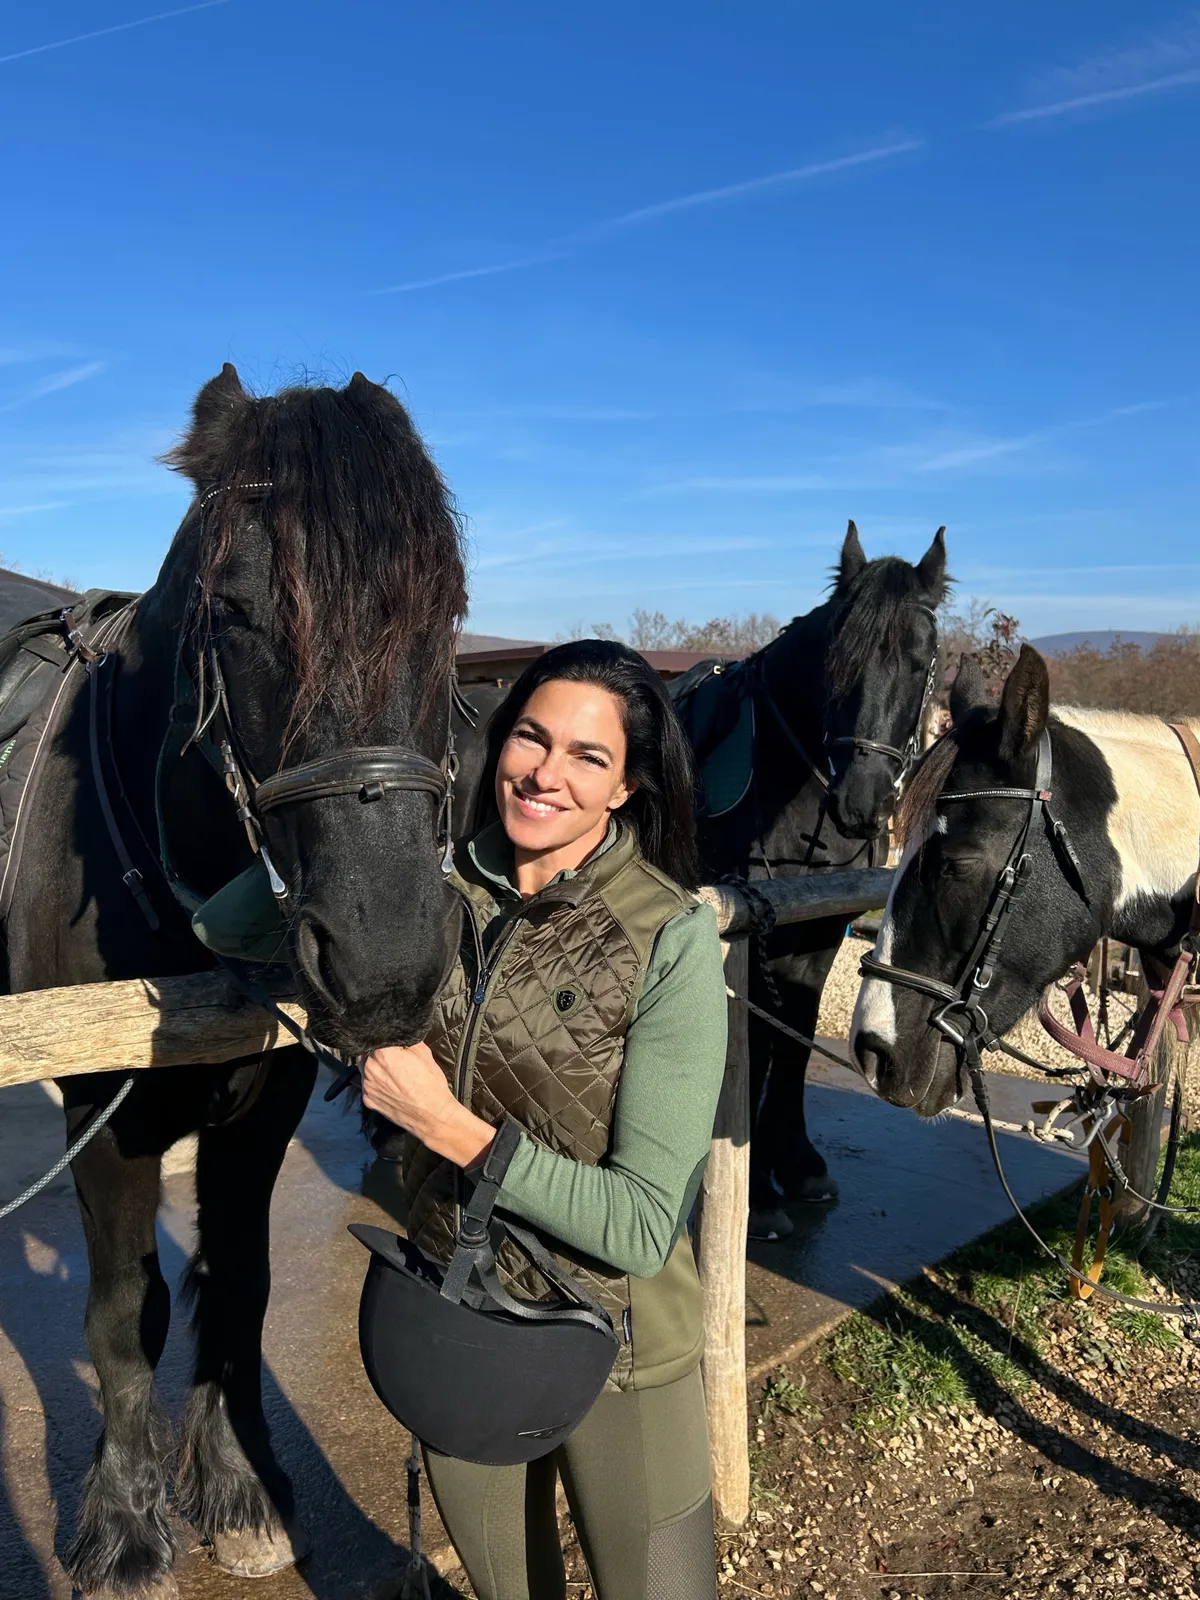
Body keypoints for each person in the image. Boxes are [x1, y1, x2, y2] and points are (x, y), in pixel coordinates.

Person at [193, 638, 728, 1600]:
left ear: (629, 788)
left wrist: (449, 1129)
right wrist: (350, 808)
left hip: (617, 1346)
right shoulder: (432, 892)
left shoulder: (669, 939)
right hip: (459, 1316)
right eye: (531, 738)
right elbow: (225, 930)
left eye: (587, 757)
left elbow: (646, 1225)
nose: (546, 774)